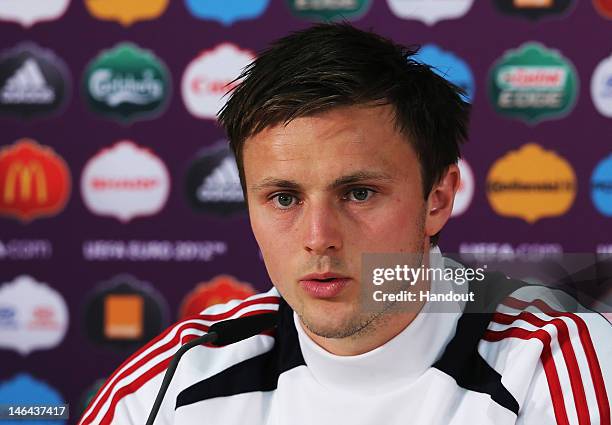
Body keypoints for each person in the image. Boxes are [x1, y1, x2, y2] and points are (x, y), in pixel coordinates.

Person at [78, 23, 611, 425]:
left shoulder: (556, 363)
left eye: (359, 193)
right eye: (283, 198)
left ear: (438, 199)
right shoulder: (166, 387)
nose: (318, 238)